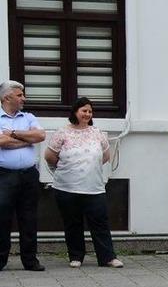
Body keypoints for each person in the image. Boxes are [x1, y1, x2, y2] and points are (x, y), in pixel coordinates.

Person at [44, 97, 122, 268]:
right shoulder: (62, 133)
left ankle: (107, 257)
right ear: (75, 112)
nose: (87, 114)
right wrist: (68, 168)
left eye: (90, 111)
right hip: (67, 187)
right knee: (73, 223)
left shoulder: (97, 133)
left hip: (93, 187)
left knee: (100, 222)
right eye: (84, 110)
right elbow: (49, 156)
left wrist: (88, 167)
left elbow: (105, 156)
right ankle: (76, 256)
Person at [0, 80, 46, 272]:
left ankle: (30, 260)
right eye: (19, 95)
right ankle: (1, 260)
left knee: (29, 218)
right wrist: (27, 139)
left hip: (29, 175)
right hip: (4, 175)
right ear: (6, 97)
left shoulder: (29, 117)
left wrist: (12, 133)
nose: (23, 98)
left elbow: (40, 136)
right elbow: (1, 142)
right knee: (2, 218)